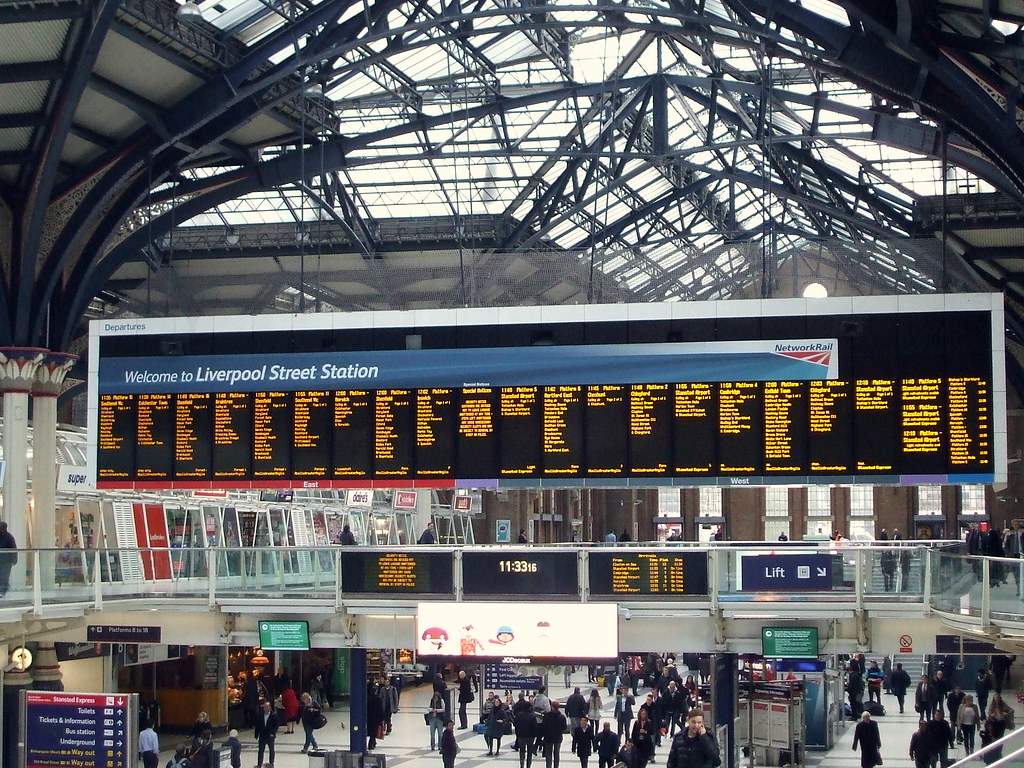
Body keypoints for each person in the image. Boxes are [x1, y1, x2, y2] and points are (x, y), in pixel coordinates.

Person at [542, 700, 568, 768]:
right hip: (558, 737)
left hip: (548, 737)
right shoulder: (562, 717)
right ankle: (556, 766)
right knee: (556, 754)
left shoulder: (547, 716)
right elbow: (564, 727)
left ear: (552, 707)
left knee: (548, 754)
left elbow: (544, 726)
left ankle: (548, 766)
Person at [254, 700, 278, 768]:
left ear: (270, 707)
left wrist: (273, 733)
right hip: (262, 735)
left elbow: (276, 725)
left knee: (271, 750)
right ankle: (259, 764)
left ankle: (271, 763)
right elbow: (258, 725)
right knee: (261, 750)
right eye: (264, 707)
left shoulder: (273, 715)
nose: (265, 708)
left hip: (270, 735)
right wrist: (256, 734)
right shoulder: (261, 715)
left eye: (266, 707)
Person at [515, 696, 537, 768]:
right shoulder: (532, 716)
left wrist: (518, 733)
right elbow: (535, 727)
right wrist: (534, 735)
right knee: (529, 751)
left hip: (521, 735)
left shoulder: (519, 715)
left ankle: (522, 764)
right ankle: (528, 765)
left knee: (522, 750)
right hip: (530, 736)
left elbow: (516, 724)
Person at [366, 680, 385, 751]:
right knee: (374, 731)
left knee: (370, 730)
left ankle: (372, 742)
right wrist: (382, 718)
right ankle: (372, 742)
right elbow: (380, 709)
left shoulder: (367, 699)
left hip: (368, 717)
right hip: (376, 718)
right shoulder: (378, 699)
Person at [0, 521, 17, 596]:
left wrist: (14, 559)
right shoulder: (9, 537)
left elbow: (13, 548)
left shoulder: (9, 537)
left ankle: (3, 590)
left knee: (4, 576)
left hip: (6, 561)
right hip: (5, 560)